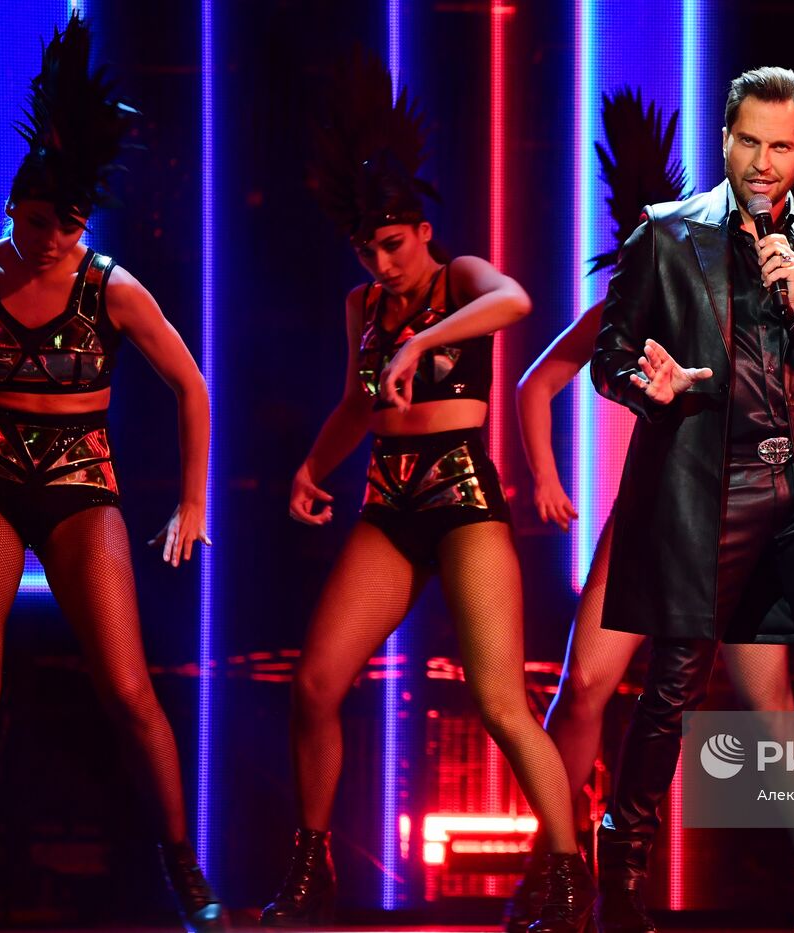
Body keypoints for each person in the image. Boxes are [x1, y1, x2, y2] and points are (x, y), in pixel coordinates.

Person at [259, 49, 591, 932]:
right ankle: (312, 868)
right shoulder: (362, 306)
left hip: (462, 497)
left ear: (421, 229)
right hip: (388, 501)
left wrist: (418, 342)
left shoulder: (460, 277)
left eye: (393, 244)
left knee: (500, 702)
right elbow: (356, 403)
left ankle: (567, 873)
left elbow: (517, 302)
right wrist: (311, 467)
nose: (381, 262)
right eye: (366, 249)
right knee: (315, 682)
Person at [507, 87, 794, 933]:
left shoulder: (772, 277)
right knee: (586, 684)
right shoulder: (635, 293)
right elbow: (541, 380)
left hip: (752, 508)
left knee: (770, 704)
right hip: (660, 512)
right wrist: (545, 477)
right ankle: (556, 872)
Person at [591, 66, 794, 933]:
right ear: (725, 139)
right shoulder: (666, 234)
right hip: (709, 484)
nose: (763, 162)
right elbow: (612, 354)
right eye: (749, 141)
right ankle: (623, 877)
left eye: (781, 147)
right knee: (674, 680)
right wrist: (643, 387)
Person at [0, 15, 223, 931]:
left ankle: (182, 863)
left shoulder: (109, 286)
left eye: (72, 225)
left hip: (82, 486)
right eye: (42, 222)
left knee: (127, 688)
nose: (55, 241)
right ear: (14, 209)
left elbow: (192, 385)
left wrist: (193, 499)